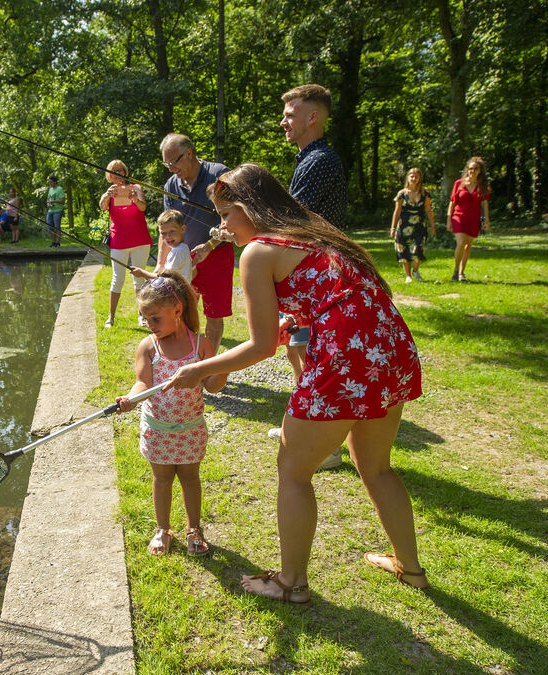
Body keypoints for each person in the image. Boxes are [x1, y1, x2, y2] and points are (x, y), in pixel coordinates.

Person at [164, 164, 427, 603]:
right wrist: (298, 319)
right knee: (376, 466)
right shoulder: (316, 234)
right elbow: (334, 294)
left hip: (346, 354)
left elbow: (260, 346)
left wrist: (195, 371)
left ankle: (291, 583)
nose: (223, 226)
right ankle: (411, 569)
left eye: (227, 214)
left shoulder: (259, 251)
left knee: (293, 471)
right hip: (388, 345)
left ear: (249, 207)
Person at [115, 271, 228, 556]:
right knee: (161, 479)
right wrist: (132, 397)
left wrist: (223, 365)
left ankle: (194, 529)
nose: (149, 325)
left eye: (155, 318)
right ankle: (162, 528)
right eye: (145, 318)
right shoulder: (148, 347)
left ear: (177, 310)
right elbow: (143, 382)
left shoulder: (199, 345)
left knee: (191, 478)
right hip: (157, 429)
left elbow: (213, 386)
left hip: (190, 428)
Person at [273, 83, 348, 470]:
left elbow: (291, 218)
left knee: (314, 354)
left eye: (290, 113)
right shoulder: (310, 157)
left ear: (312, 116)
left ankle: (328, 448)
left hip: (326, 273)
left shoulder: (318, 160)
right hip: (316, 270)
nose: (283, 121)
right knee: (297, 348)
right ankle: (307, 428)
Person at [159, 134, 232, 354]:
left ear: (189, 153)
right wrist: (161, 266)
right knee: (180, 311)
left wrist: (210, 245)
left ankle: (209, 365)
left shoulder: (219, 174)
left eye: (174, 162)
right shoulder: (170, 185)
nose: (171, 168)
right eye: (166, 164)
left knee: (214, 313)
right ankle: (188, 359)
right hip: (184, 258)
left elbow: (233, 219)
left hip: (217, 254)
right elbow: (165, 229)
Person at [99, 160, 153, 328]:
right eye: (114, 171)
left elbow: (143, 207)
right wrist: (107, 195)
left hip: (140, 240)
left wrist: (135, 199)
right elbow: (102, 207)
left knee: (140, 279)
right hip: (118, 241)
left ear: (125, 172)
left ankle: (142, 316)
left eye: (120, 170)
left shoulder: (135, 188)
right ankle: (111, 317)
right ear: (109, 175)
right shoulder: (109, 192)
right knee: (118, 278)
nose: (118, 174)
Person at [447, 156, 491, 282]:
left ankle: (462, 273)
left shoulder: (482, 185)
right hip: (459, 216)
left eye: (475, 168)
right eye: (470, 168)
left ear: (480, 171)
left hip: (474, 218)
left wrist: (486, 221)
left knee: (468, 245)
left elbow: (484, 204)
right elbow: (452, 202)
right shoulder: (459, 183)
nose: (472, 171)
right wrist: (449, 219)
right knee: (461, 243)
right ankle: (455, 271)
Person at [390, 168, 436, 283]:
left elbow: (428, 210)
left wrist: (433, 225)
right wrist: (393, 228)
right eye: (411, 176)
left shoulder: (425, 193)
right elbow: (397, 211)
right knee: (404, 250)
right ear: (408, 177)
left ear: (419, 178)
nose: (413, 178)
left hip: (419, 225)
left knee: (418, 248)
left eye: (416, 176)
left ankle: (416, 271)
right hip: (404, 226)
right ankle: (408, 276)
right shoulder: (402, 194)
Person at [131, 209, 194, 286]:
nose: (168, 236)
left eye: (172, 231)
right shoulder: (183, 248)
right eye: (163, 233)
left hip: (175, 296)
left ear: (183, 229)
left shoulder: (177, 251)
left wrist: (142, 273)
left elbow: (164, 280)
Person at [45, 176, 65, 247]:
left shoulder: (59, 189)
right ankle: (53, 242)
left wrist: (54, 201)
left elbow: (62, 201)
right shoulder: (50, 189)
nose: (49, 183)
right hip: (50, 210)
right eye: (49, 182)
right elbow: (48, 199)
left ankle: (57, 243)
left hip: (58, 211)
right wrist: (48, 204)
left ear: (55, 182)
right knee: (49, 228)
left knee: (57, 227)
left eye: (51, 182)